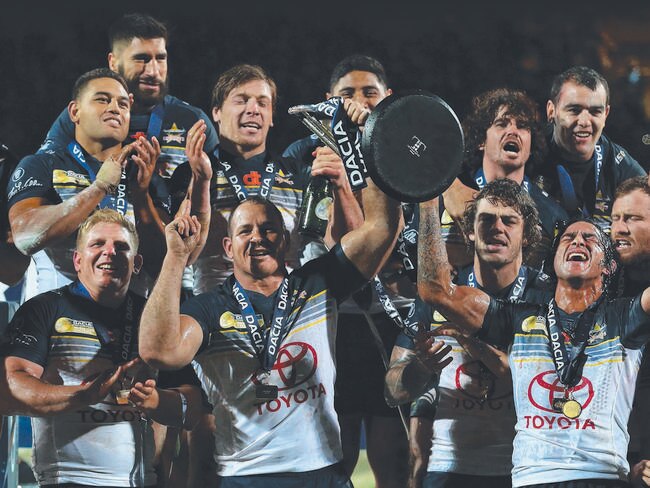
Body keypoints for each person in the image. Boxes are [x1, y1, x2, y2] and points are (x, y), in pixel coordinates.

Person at [138, 161, 404, 486]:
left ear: (286, 241)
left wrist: (373, 149)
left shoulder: (318, 283)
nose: (257, 238)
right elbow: (157, 351)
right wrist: (176, 258)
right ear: (228, 248)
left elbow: (382, 228)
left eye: (268, 229)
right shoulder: (210, 308)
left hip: (324, 474)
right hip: (246, 476)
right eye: (244, 231)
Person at [416, 175, 650, 487]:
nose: (577, 241)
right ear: (553, 262)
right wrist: (428, 199)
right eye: (568, 239)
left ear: (607, 266)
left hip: (603, 476)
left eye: (590, 239)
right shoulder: (518, 320)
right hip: (532, 479)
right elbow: (436, 291)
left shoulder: (623, 317)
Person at [0, 209, 204, 487]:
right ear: (77, 260)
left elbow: (192, 410)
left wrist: (154, 401)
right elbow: (8, 391)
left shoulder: (153, 320)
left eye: (121, 247)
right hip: (69, 479)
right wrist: (86, 394)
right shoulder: (44, 309)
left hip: (142, 481)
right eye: (98, 244)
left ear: (137, 263)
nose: (110, 252)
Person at [286, 54, 410, 487]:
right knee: (337, 453)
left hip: (391, 319)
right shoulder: (304, 154)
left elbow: (385, 242)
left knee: (394, 459)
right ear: (328, 101)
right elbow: (346, 252)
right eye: (346, 94)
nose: (357, 102)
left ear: (387, 99)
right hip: (334, 322)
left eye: (369, 93)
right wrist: (338, 177)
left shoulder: (404, 156)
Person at [385, 179, 552, 488]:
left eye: (509, 221)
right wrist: (421, 370)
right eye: (486, 219)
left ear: (526, 236)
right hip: (448, 468)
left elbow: (541, 386)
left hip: (522, 468)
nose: (496, 227)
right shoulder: (437, 298)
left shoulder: (546, 298)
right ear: (470, 232)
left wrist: (470, 341)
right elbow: (392, 391)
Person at [170, 63, 360, 294]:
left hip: (285, 314)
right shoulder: (192, 172)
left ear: (271, 117)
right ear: (216, 112)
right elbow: (185, 253)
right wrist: (200, 179)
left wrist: (341, 186)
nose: (253, 109)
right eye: (241, 100)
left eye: (262, 103)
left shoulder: (300, 174)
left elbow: (344, 244)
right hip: (217, 316)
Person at [7, 68, 169, 298]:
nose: (115, 108)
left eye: (123, 104)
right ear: (75, 111)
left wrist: (142, 196)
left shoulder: (145, 175)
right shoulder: (43, 164)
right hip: (58, 323)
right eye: (102, 100)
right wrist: (98, 188)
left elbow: (161, 264)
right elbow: (26, 237)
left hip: (129, 326)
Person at [39, 13, 218, 178]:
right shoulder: (83, 115)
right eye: (142, 59)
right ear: (114, 62)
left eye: (160, 58)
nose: (153, 71)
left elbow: (220, 189)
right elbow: (43, 171)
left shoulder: (193, 120)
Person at [439, 88, 568, 268]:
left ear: (531, 146)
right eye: (502, 124)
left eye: (522, 126)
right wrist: (447, 188)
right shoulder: (444, 191)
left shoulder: (551, 215)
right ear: (481, 141)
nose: (513, 131)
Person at [535, 65, 646, 231]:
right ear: (552, 111)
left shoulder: (619, 165)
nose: (585, 121)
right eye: (574, 110)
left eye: (595, 112)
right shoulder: (529, 150)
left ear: (606, 114)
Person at [610, 176, 650, 487]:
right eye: (616, 218)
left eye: (633, 218)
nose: (620, 228)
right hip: (613, 455)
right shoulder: (604, 279)